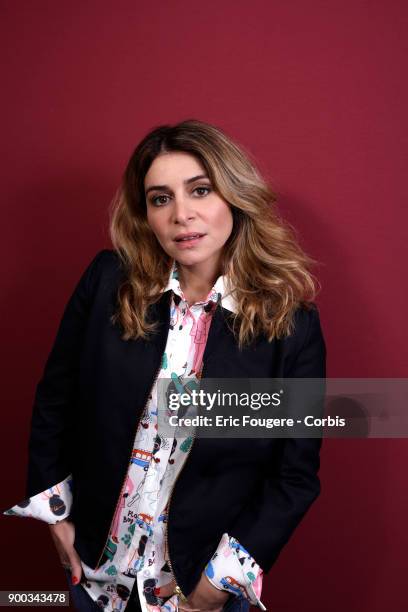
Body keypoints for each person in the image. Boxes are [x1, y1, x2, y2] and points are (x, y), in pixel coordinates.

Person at [3, 119, 326, 612]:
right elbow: (56, 399)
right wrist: (55, 516)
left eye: (200, 190)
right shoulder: (107, 282)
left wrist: (219, 583)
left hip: (197, 587)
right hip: (95, 576)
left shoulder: (291, 325)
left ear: (235, 197)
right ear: (145, 215)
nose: (182, 215)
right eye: (160, 198)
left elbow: (294, 475)